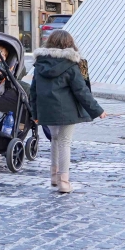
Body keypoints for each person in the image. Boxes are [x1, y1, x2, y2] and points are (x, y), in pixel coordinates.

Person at [30, 29, 105, 194]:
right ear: (69, 44)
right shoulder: (71, 65)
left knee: (55, 140)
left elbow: (33, 91)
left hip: (46, 110)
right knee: (64, 142)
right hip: (66, 111)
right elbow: (81, 91)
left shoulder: (39, 64)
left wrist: (34, 114)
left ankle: (54, 177)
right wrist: (97, 110)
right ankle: (64, 181)